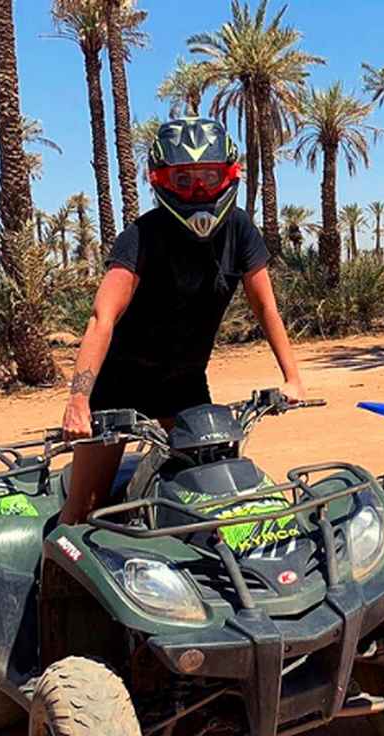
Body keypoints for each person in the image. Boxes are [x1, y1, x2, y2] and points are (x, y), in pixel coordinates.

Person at [59, 117, 304, 524]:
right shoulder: (142, 234)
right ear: (161, 180)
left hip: (185, 383)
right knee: (84, 509)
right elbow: (103, 317)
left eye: (207, 176)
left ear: (228, 175)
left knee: (212, 487)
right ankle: (52, 585)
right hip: (119, 383)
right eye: (183, 179)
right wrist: (78, 400)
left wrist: (292, 378)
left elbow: (266, 309)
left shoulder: (240, 230)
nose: (197, 190)